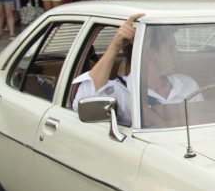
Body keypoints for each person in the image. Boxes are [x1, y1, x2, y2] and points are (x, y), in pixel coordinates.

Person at [70, 14, 201, 127]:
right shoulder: (123, 91)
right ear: (151, 53)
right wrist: (114, 47)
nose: (176, 54)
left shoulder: (187, 84)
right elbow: (81, 104)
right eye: (171, 48)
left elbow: (203, 122)